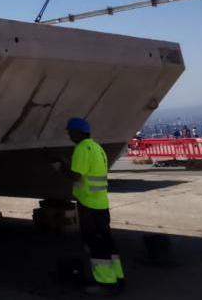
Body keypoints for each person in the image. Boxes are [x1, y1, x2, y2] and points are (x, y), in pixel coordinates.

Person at [58, 117, 123, 295]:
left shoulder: (82, 149)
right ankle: (117, 277)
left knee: (96, 245)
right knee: (107, 242)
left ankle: (105, 284)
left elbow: (76, 176)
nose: (69, 134)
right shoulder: (96, 147)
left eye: (70, 131)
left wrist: (60, 166)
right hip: (101, 204)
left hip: (89, 205)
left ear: (78, 132)